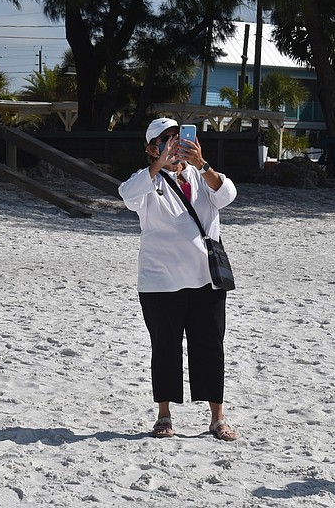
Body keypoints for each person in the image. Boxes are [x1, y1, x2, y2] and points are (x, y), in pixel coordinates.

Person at [118, 117, 239, 441]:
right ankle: (164, 415)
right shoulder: (145, 182)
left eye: (178, 137)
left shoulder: (201, 176)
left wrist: (202, 164)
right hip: (160, 282)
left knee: (210, 348)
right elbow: (126, 195)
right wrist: (158, 165)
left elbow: (227, 194)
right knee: (165, 348)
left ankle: (217, 418)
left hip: (206, 279)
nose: (174, 143)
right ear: (150, 147)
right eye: (165, 139)